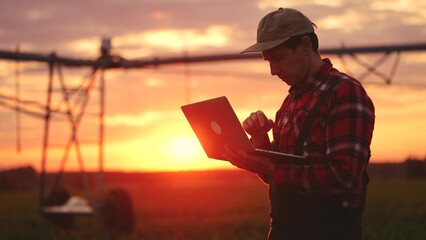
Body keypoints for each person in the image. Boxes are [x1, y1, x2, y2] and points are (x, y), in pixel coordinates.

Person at [224, 8, 375, 240]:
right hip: (283, 230)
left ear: (305, 46)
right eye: (268, 61)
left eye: (278, 58)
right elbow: (279, 174)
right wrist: (260, 140)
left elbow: (343, 178)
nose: (273, 71)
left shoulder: (345, 92)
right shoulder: (290, 101)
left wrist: (271, 168)